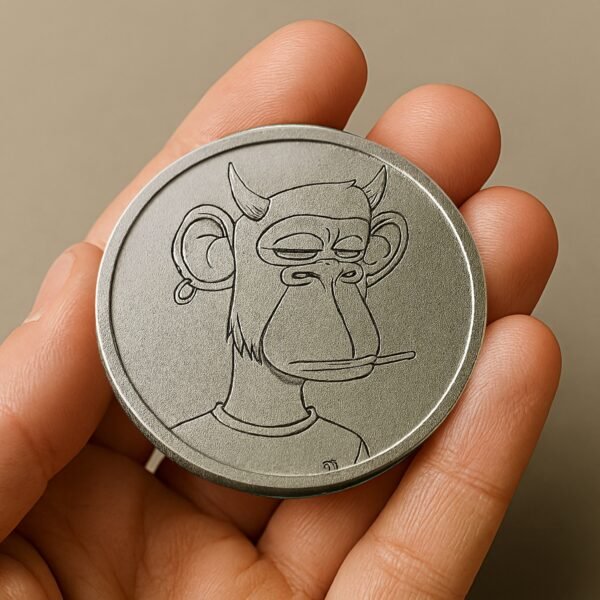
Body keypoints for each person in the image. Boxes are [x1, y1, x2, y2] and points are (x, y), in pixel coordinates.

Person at [0, 20, 560, 598]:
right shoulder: (191, 433)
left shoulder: (347, 447)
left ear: (377, 255)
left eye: (348, 264)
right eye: (295, 260)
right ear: (213, 255)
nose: (332, 302)